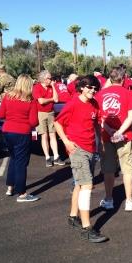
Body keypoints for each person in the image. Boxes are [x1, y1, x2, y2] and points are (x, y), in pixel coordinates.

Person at [54, 75, 108, 243]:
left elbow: (97, 124)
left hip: (91, 148)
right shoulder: (73, 103)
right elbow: (57, 123)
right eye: (90, 87)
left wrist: (101, 144)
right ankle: (87, 228)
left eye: (95, 88)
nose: (93, 90)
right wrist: (67, 141)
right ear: (82, 87)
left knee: (79, 184)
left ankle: (72, 217)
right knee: (87, 185)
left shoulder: (94, 104)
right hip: (77, 149)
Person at [96, 67, 132, 212]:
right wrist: (119, 132)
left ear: (110, 78)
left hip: (106, 136)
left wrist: (109, 130)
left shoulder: (100, 95)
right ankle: (129, 201)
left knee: (108, 169)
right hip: (126, 136)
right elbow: (131, 115)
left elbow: (98, 117)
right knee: (127, 169)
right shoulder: (128, 93)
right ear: (123, 78)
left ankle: (108, 199)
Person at [0, 74, 39, 202]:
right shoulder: (30, 100)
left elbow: (0, 114)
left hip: (7, 130)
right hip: (22, 132)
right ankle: (22, 193)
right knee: (21, 162)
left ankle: (10, 187)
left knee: (14, 159)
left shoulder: (7, 97)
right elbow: (33, 121)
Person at [33, 70, 62, 166]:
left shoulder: (51, 87)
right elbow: (41, 101)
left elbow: (56, 99)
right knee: (44, 135)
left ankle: (56, 156)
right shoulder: (37, 87)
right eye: (49, 78)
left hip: (51, 113)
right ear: (44, 79)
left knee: (53, 134)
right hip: (41, 113)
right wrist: (51, 99)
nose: (51, 79)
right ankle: (47, 157)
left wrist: (53, 86)